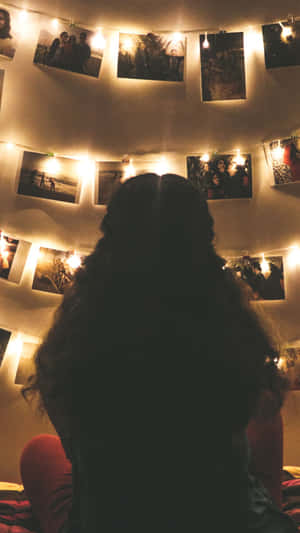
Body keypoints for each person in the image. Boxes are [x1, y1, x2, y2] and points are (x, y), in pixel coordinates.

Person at [21, 174, 297, 533]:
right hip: (227, 518)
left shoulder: (74, 350)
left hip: (112, 519)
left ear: (110, 245)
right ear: (204, 246)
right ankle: (266, 506)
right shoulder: (233, 344)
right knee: (262, 424)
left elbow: (77, 453)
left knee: (40, 452)